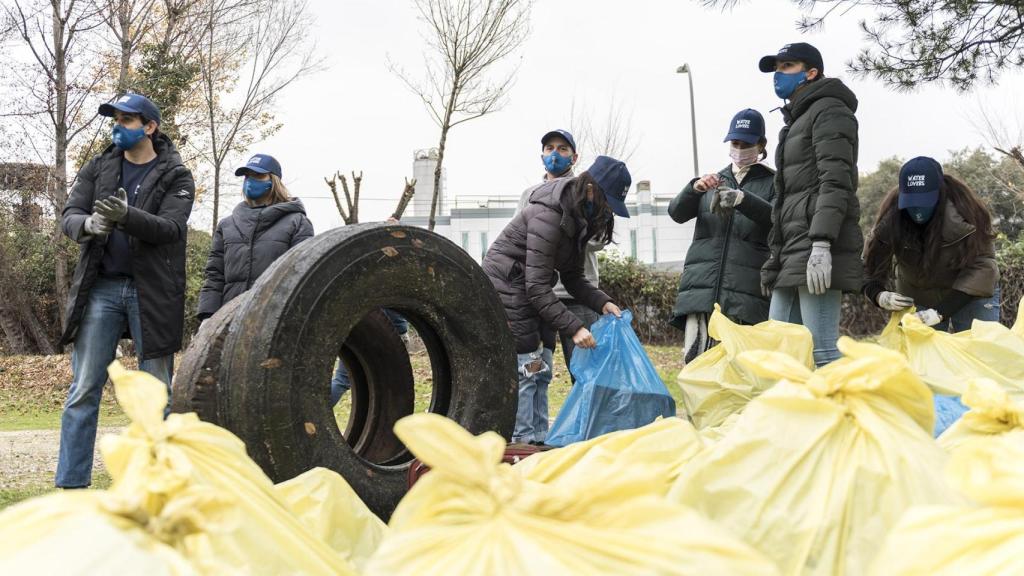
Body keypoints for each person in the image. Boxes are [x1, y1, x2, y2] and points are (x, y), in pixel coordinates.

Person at [57, 93, 195, 488]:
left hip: (151, 292)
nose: (117, 125)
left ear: (149, 127)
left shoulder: (176, 175)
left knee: (157, 394)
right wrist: (87, 227)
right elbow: (70, 214)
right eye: (115, 118)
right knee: (84, 387)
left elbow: (172, 228)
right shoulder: (98, 167)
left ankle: (160, 485)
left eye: (127, 119)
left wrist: (126, 217)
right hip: (100, 289)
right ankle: (71, 485)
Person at [483, 156, 629, 445]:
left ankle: (539, 438)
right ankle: (523, 442)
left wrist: (602, 302)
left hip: (533, 287)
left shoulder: (578, 216)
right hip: (509, 286)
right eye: (608, 201)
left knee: (542, 368)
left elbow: (573, 276)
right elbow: (535, 285)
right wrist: (575, 327)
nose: (608, 209)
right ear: (591, 190)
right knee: (527, 366)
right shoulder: (549, 214)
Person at [757, 42, 863, 367]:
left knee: (822, 352)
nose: (778, 74)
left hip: (815, 245)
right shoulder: (795, 122)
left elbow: (836, 181)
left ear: (811, 72)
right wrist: (775, 260)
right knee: (782, 354)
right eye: (776, 68)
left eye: (786, 67)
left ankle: (844, 417)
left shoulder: (829, 110)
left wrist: (821, 243)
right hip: (793, 249)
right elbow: (786, 200)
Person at [669, 109, 775, 363]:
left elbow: (777, 220)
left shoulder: (773, 183)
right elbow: (676, 213)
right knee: (696, 364)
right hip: (702, 292)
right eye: (735, 143)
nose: (739, 149)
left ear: (761, 145)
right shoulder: (713, 181)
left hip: (745, 294)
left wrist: (743, 200)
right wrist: (694, 189)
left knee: (739, 369)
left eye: (746, 144)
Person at [863, 156, 999, 332]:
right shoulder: (891, 219)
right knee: (922, 357)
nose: (917, 211)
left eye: (924, 201)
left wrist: (940, 313)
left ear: (939, 193)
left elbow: (983, 267)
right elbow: (868, 265)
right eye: (911, 203)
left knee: (980, 351)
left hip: (972, 294)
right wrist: (879, 295)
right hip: (919, 295)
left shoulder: (968, 216)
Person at [516, 129, 604, 383]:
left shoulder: (586, 191)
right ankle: (536, 423)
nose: (555, 154)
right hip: (539, 297)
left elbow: (598, 240)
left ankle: (590, 422)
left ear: (574, 157)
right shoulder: (529, 195)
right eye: (549, 148)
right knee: (534, 372)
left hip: (578, 295)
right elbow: (519, 240)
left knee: (587, 374)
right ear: (541, 155)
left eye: (563, 149)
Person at [197, 153, 313, 321]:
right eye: (247, 176)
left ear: (273, 181)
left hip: (274, 320)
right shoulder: (226, 226)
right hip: (228, 320)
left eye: (258, 175)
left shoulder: (298, 223)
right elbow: (215, 275)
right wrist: (208, 317)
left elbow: (303, 275)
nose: (250, 181)